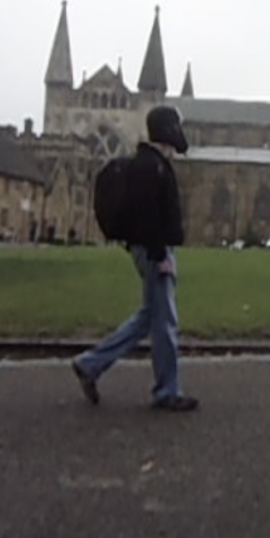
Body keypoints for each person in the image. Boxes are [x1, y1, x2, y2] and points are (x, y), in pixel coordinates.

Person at [71, 105, 198, 412]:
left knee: (148, 318)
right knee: (165, 321)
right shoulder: (150, 167)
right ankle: (167, 391)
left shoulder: (150, 162)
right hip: (155, 252)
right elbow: (148, 216)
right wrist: (159, 254)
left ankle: (90, 364)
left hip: (149, 250)